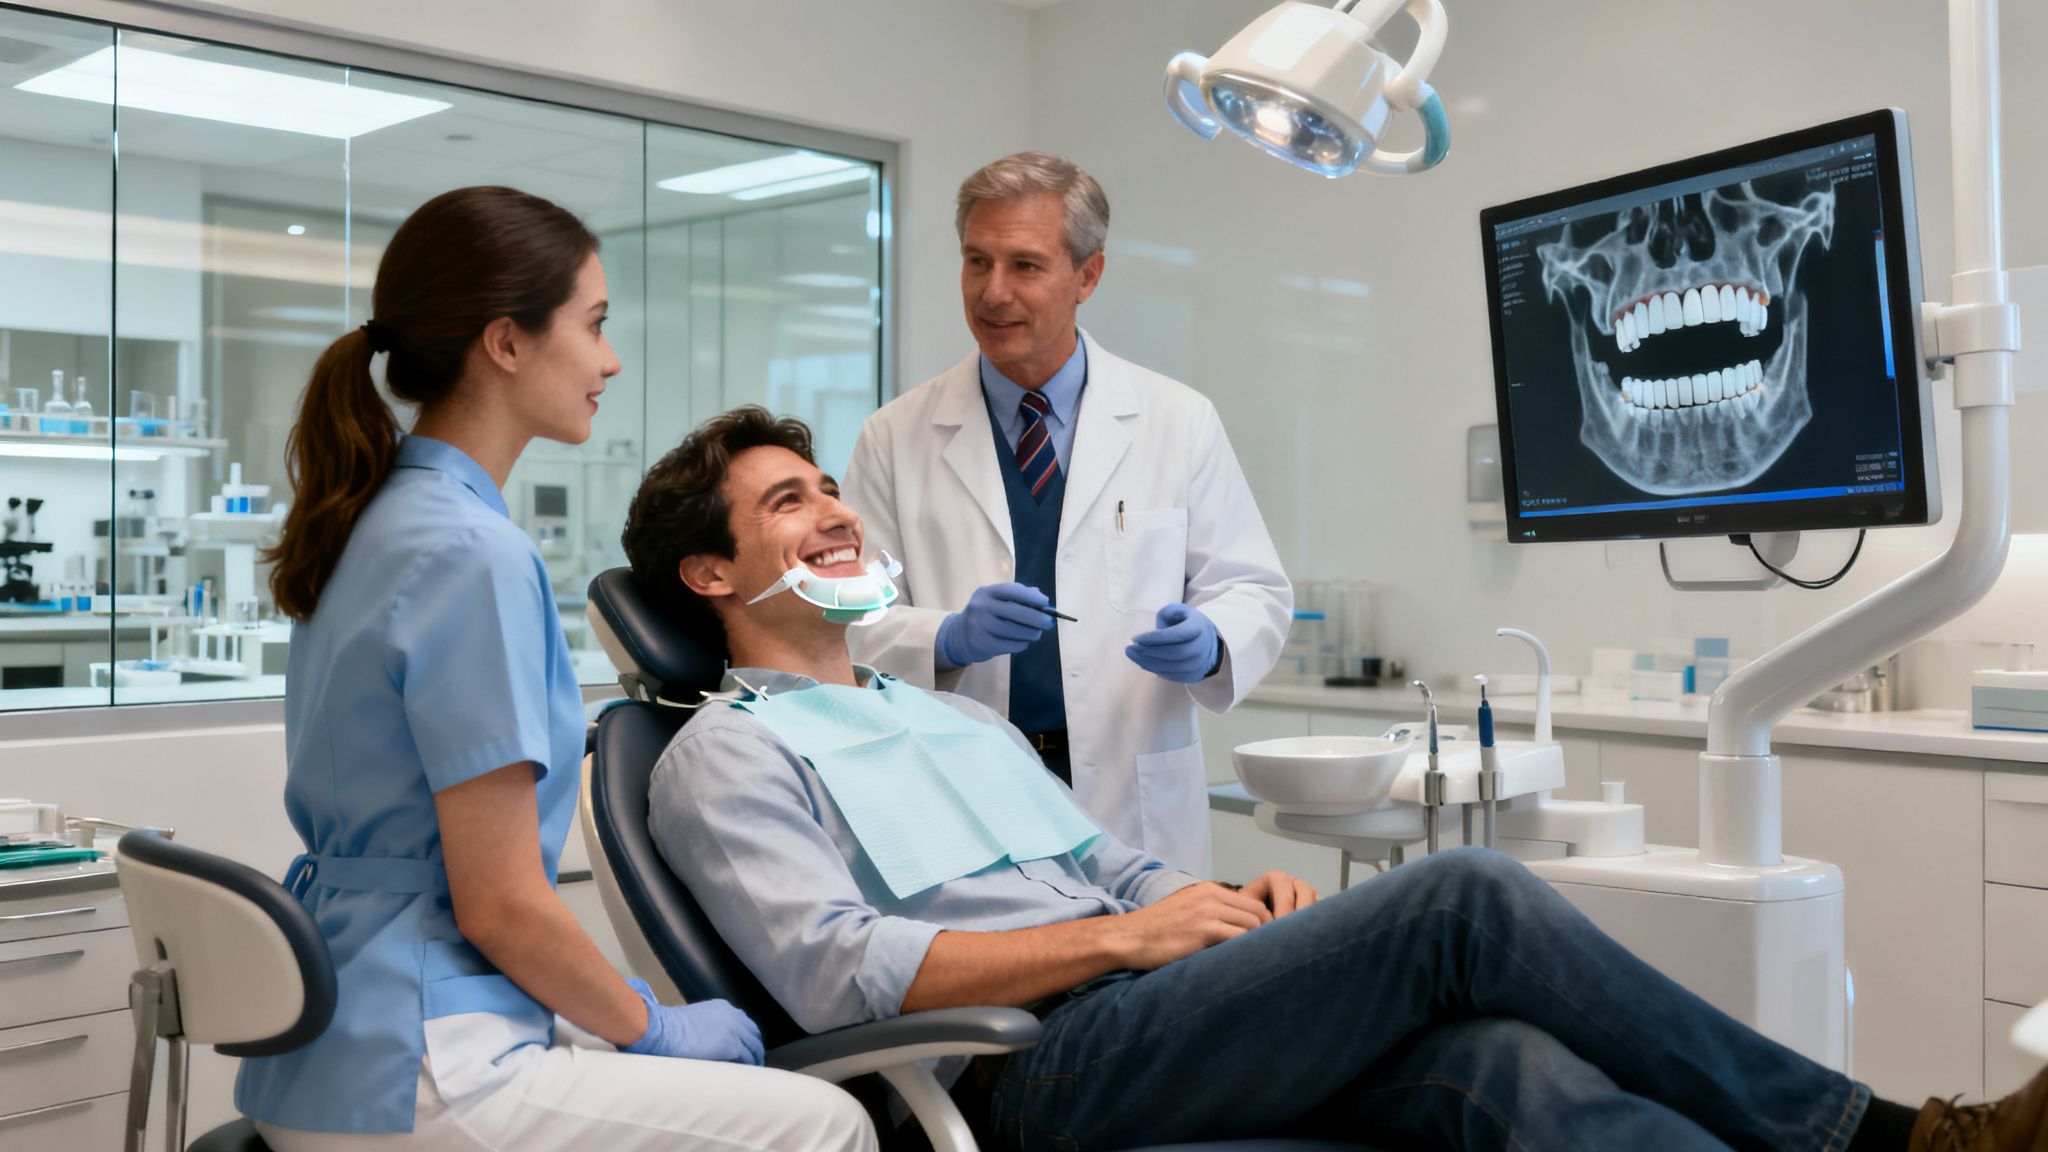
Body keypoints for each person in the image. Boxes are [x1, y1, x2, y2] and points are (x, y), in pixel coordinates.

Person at [620, 405, 2048, 1152]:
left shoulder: (948, 719)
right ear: (709, 572)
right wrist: (1130, 937)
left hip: (1161, 1009)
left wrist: (1217, 899)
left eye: (827, 487)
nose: (834, 508)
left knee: (1506, 1074)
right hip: (1030, 1073)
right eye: (786, 501)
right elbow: (836, 975)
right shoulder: (720, 755)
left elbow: (1120, 872)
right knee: (1463, 902)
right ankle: (1884, 1141)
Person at [240, 188, 874, 1152]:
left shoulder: (374, 521)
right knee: (827, 1124)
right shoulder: (470, 552)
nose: (610, 359)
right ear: (506, 342)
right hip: (420, 1065)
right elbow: (500, 905)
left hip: (330, 1046)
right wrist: (654, 1025)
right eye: (595, 323)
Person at [840, 151, 1291, 875]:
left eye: (1025, 266)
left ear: (1088, 275)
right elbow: (848, 622)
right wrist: (946, 637)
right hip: (964, 790)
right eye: (976, 261)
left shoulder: (1178, 420)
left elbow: (1253, 588)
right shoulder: (895, 436)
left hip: (1129, 795)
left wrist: (1212, 641)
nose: (993, 293)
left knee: (1156, 981)